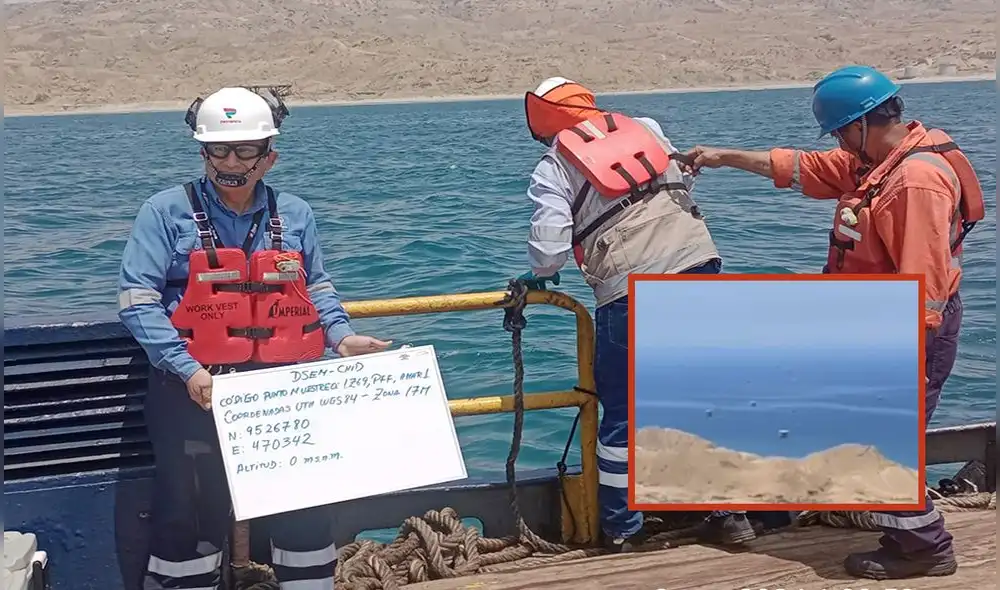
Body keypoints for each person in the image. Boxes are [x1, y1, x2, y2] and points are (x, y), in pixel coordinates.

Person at [684, 65, 985, 580]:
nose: (841, 144)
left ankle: (925, 545)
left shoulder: (914, 182)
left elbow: (924, 281)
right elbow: (807, 168)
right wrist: (722, 157)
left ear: (862, 124)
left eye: (842, 132)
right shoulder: (885, 160)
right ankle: (896, 529)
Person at [117, 86, 392, 590]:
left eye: (245, 150)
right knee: (192, 516)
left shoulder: (296, 214)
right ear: (203, 153)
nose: (230, 161)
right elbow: (138, 299)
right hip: (193, 391)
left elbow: (315, 289)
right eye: (219, 150)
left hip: (281, 390)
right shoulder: (163, 211)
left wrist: (342, 337)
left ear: (269, 157)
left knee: (302, 508)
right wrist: (187, 369)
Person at [518, 76, 757, 552]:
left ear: (545, 128)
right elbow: (681, 180)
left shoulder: (553, 166)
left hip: (633, 289)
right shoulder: (644, 126)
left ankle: (624, 531)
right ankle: (729, 516)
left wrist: (539, 276)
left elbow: (549, 251)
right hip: (700, 266)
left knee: (624, 415)